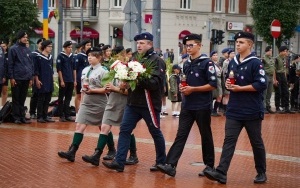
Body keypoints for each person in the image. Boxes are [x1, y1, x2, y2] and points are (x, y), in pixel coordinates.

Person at [204, 31, 267, 184]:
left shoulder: (255, 62)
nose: (238, 45)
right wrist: (228, 85)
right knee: (229, 141)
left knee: (256, 142)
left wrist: (241, 88)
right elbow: (230, 79)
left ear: (250, 45)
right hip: (234, 109)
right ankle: (221, 172)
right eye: (237, 42)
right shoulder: (233, 61)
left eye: (241, 42)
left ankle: (261, 172)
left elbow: (261, 84)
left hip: (251, 110)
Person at [102, 32, 167, 172]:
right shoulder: (135, 59)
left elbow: (155, 83)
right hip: (133, 102)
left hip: (149, 103)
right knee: (124, 130)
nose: (138, 45)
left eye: (142, 43)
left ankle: (161, 162)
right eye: (137, 43)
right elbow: (129, 78)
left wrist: (136, 77)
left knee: (155, 132)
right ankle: (119, 162)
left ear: (150, 44)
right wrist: (125, 81)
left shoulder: (157, 60)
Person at [156, 33, 217, 177]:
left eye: (191, 45)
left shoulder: (207, 63)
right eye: (186, 45)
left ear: (199, 45)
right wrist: (183, 89)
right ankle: (170, 165)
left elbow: (213, 84)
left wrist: (193, 89)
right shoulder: (187, 63)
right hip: (188, 106)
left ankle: (209, 166)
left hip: (202, 105)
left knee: (205, 135)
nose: (188, 48)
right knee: (181, 135)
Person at [82, 46, 139, 166]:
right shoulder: (112, 70)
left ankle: (133, 154)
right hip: (111, 101)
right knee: (104, 127)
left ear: (124, 56)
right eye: (113, 57)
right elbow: (107, 85)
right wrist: (106, 87)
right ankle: (97, 155)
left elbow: (131, 91)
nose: (114, 60)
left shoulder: (132, 70)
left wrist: (115, 88)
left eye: (117, 56)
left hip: (124, 103)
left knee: (127, 129)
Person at [58, 47, 109, 162]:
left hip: (100, 102)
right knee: (79, 126)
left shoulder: (104, 71)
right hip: (87, 102)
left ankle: (109, 150)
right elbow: (83, 87)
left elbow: (107, 89)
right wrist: (81, 103)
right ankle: (72, 151)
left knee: (103, 127)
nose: (89, 57)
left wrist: (93, 91)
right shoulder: (85, 70)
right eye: (88, 55)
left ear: (99, 57)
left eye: (92, 55)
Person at [8, 30, 33, 124]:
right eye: (24, 37)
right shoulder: (13, 49)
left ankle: (22, 116)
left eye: (26, 37)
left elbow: (31, 64)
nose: (25, 38)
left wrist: (30, 78)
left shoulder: (27, 49)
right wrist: (11, 77)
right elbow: (10, 64)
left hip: (26, 78)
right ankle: (16, 117)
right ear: (19, 38)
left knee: (23, 98)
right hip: (17, 77)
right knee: (16, 99)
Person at [34, 40, 55, 123]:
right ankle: (39, 116)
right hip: (41, 80)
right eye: (49, 46)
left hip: (49, 80)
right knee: (41, 99)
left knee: (47, 99)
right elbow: (36, 70)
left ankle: (45, 115)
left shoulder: (50, 57)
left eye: (51, 46)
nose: (51, 48)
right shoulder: (38, 57)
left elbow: (51, 70)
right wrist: (37, 80)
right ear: (45, 47)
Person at [56, 41, 76, 122]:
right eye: (69, 47)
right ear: (65, 48)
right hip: (64, 80)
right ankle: (61, 115)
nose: (70, 49)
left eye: (71, 47)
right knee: (61, 98)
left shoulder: (72, 56)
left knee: (68, 98)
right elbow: (59, 69)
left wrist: (74, 80)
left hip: (70, 80)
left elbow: (74, 69)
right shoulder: (60, 56)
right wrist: (61, 80)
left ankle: (67, 115)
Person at [274, 46, 295, 113]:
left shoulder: (284, 59)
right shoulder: (276, 59)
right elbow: (274, 69)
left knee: (286, 91)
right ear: (281, 51)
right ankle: (277, 107)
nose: (287, 52)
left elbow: (285, 69)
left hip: (283, 76)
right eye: (285, 51)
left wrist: (285, 77)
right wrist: (275, 79)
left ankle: (286, 107)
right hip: (278, 75)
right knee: (278, 92)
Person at [29, 37, 45, 119]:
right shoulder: (33, 54)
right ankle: (32, 112)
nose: (42, 45)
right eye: (41, 43)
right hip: (36, 77)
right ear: (37, 44)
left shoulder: (46, 54)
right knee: (35, 95)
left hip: (44, 78)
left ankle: (41, 112)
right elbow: (32, 67)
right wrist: (32, 79)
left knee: (42, 96)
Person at [74, 40, 91, 113]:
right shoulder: (80, 56)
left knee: (85, 95)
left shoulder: (89, 56)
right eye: (87, 45)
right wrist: (75, 80)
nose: (89, 47)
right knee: (78, 95)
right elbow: (75, 68)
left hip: (87, 78)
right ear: (83, 46)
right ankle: (77, 112)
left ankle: (83, 111)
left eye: (90, 45)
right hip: (79, 78)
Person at [262, 46, 275, 114]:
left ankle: (268, 106)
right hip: (265, 76)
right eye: (270, 50)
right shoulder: (263, 59)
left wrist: (274, 78)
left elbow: (273, 68)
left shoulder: (272, 59)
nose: (271, 52)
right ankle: (263, 107)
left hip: (271, 76)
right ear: (266, 51)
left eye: (271, 51)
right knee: (265, 92)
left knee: (269, 92)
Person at [221, 49, 235, 115]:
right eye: (232, 53)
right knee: (226, 95)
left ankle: (229, 108)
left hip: (233, 80)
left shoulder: (235, 61)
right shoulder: (226, 62)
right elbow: (224, 72)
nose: (233, 54)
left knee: (230, 96)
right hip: (227, 80)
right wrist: (224, 82)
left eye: (234, 53)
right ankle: (225, 110)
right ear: (229, 54)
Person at [210, 51, 223, 116]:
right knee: (212, 96)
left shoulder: (218, 64)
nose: (215, 56)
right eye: (214, 55)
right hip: (214, 81)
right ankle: (212, 110)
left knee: (219, 96)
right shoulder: (210, 64)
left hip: (220, 81)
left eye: (216, 55)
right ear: (211, 56)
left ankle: (215, 110)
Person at [0, 40, 9, 106]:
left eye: (4, 46)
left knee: (4, 91)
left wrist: (5, 76)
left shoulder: (9, 54)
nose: (3, 47)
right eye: (1, 46)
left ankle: (2, 107)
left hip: (5, 75)